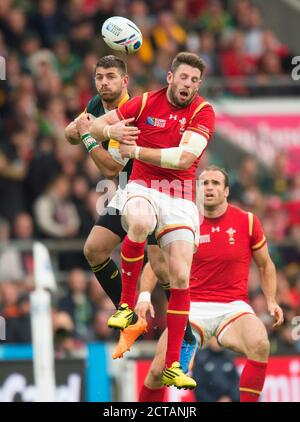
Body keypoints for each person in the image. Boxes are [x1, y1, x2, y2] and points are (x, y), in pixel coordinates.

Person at [90, 52, 215, 389]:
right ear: (170, 77)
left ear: (198, 84)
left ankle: (174, 360)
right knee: (140, 223)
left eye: (194, 80)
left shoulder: (203, 111)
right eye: (183, 77)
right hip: (143, 186)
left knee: (178, 275)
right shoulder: (146, 102)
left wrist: (135, 151)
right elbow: (97, 125)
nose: (188, 84)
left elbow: (184, 157)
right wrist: (108, 127)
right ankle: (128, 306)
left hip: (181, 195)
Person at [65, 55, 196, 360]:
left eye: (110, 77)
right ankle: (131, 317)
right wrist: (80, 129)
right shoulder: (96, 106)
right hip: (128, 192)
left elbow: (109, 168)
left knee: (164, 268)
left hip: (153, 192)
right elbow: (69, 133)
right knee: (94, 250)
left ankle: (186, 336)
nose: (103, 83)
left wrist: (87, 135)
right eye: (99, 77)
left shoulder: (133, 111)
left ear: (124, 82)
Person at [135, 165, 284, 401]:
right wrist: (144, 295)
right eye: (204, 183)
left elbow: (266, 264)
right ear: (196, 189)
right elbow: (157, 263)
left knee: (260, 344)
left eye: (215, 183)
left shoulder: (247, 221)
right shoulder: (182, 220)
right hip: (190, 307)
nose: (209, 187)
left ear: (226, 191)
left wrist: (271, 300)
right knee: (157, 371)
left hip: (234, 307)